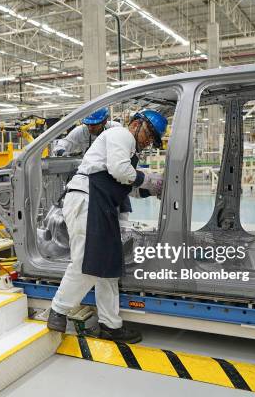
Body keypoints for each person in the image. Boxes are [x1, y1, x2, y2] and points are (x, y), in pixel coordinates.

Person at [47, 109, 168, 343]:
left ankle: (111, 325)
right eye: (148, 133)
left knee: (109, 270)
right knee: (86, 261)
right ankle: (58, 309)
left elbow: (125, 185)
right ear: (136, 124)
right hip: (86, 198)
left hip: (102, 204)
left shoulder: (129, 151)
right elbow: (120, 171)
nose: (148, 140)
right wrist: (149, 179)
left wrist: (149, 189)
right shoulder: (121, 135)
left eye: (153, 139)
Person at [52, 107, 120, 156]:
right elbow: (62, 144)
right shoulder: (80, 131)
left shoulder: (115, 128)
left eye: (93, 125)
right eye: (87, 124)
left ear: (104, 122)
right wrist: (63, 153)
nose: (90, 128)